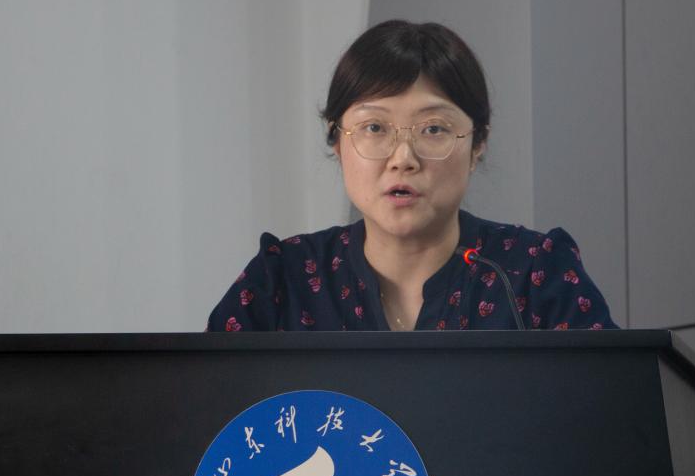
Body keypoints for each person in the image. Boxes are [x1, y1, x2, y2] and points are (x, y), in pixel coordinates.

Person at [207, 20, 616, 332]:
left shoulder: (534, 276)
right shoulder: (282, 282)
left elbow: (609, 408)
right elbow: (208, 408)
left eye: (433, 129)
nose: (403, 159)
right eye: (374, 127)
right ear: (337, 142)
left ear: (477, 145)